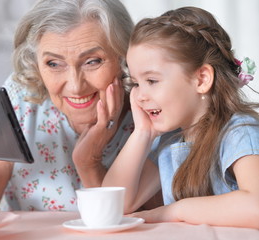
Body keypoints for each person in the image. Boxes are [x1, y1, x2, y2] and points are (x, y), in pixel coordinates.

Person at [0, 0, 136, 211]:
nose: (76, 86)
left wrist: (89, 162)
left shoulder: (148, 110)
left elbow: (131, 222)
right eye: (54, 64)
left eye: (93, 61)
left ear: (124, 57)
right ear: (35, 64)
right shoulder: (21, 96)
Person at [102, 6, 259, 228]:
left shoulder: (239, 132)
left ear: (202, 79)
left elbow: (255, 207)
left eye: (152, 81)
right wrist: (142, 134)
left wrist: (177, 210)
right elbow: (113, 204)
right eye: (136, 83)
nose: (139, 96)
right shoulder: (170, 142)